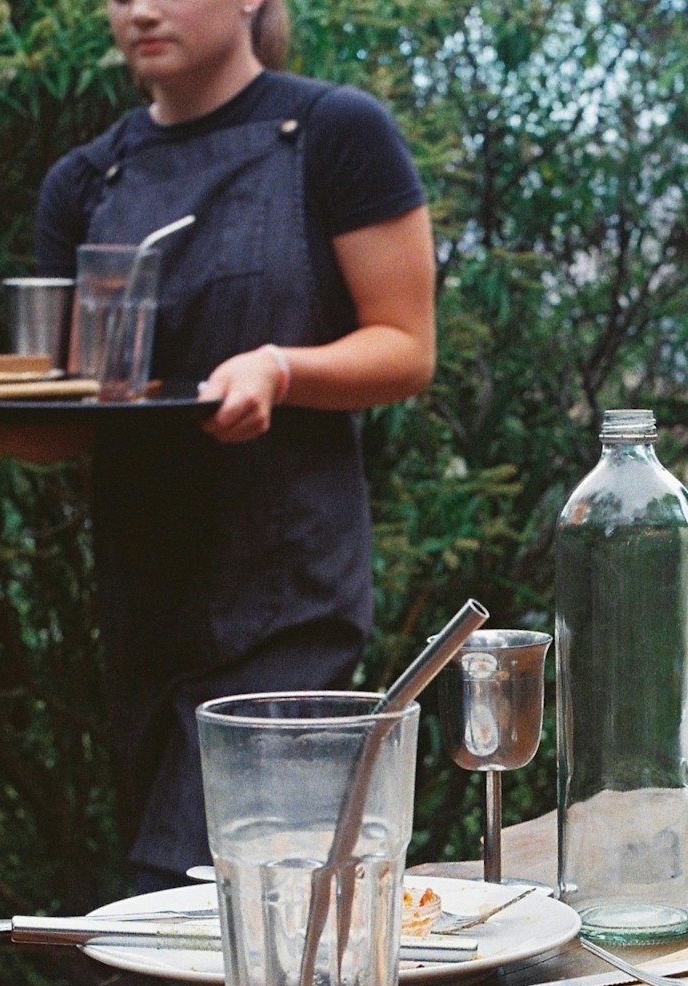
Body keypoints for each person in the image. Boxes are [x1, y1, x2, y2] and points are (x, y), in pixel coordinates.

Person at [34, 0, 436, 891]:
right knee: (198, 908)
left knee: (194, 885)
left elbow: (406, 346)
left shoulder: (333, 133)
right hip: (144, 605)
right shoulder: (87, 180)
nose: (139, 9)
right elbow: (65, 416)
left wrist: (280, 371)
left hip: (287, 598)